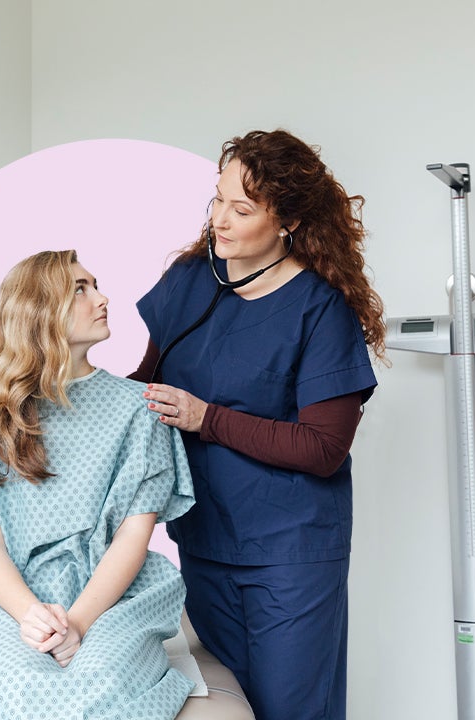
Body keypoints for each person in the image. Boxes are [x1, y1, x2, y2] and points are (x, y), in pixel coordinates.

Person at [131, 129, 386, 720]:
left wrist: (206, 418)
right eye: (217, 199)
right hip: (204, 541)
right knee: (230, 710)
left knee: (290, 710)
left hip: (289, 552)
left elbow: (324, 447)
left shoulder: (320, 308)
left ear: (288, 221)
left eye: (241, 209)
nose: (219, 219)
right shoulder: (191, 280)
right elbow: (145, 387)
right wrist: (35, 394)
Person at [0, 250, 197, 719]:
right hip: (13, 597)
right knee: (20, 689)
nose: (102, 298)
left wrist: (78, 623)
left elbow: (132, 536)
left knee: (102, 686)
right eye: (80, 288)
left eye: (96, 284)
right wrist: (31, 616)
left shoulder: (139, 410)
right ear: (38, 310)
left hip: (114, 597)